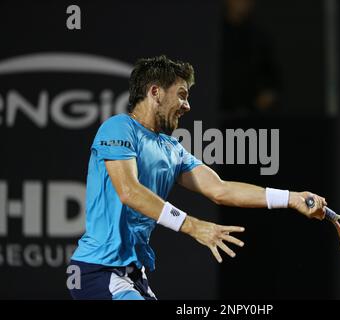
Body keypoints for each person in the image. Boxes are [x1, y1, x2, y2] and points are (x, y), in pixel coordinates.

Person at [67, 55, 326, 300]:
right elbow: (130, 192)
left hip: (134, 274)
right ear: (155, 92)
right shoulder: (119, 127)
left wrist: (291, 198)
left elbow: (220, 190)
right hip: (98, 270)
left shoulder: (172, 149)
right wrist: (193, 226)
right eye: (181, 95)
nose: (187, 106)